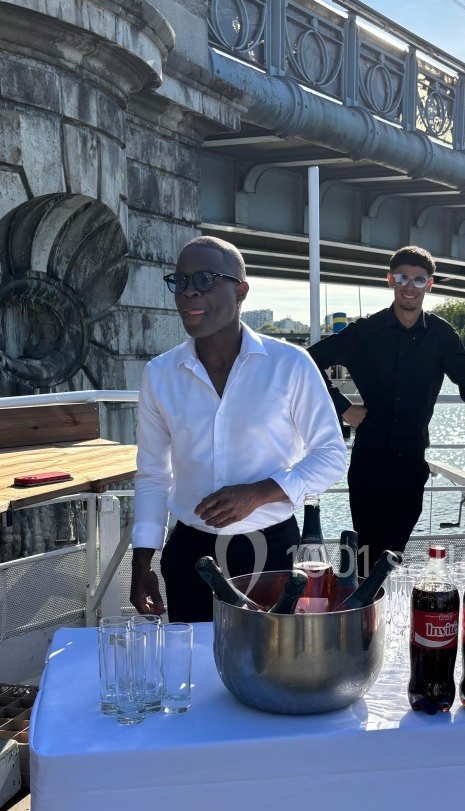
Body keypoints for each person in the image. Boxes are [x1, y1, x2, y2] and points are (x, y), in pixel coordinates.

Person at [130, 237, 346, 622]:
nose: (189, 291)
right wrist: (142, 560)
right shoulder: (159, 375)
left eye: (205, 279)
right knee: (193, 657)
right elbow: (152, 474)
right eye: (181, 281)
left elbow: (331, 456)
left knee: (274, 658)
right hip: (190, 555)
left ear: (241, 291)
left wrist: (260, 493)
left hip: (273, 553)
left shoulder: (290, 364)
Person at [309, 246, 465, 573]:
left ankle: (377, 600)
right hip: (369, 461)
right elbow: (307, 363)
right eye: (402, 277)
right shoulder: (365, 332)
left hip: (411, 463)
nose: (409, 286)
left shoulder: (442, 336)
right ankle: (364, 605)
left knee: (391, 556)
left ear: (429, 284)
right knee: (366, 554)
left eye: (418, 279)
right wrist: (344, 408)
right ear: (390, 280)